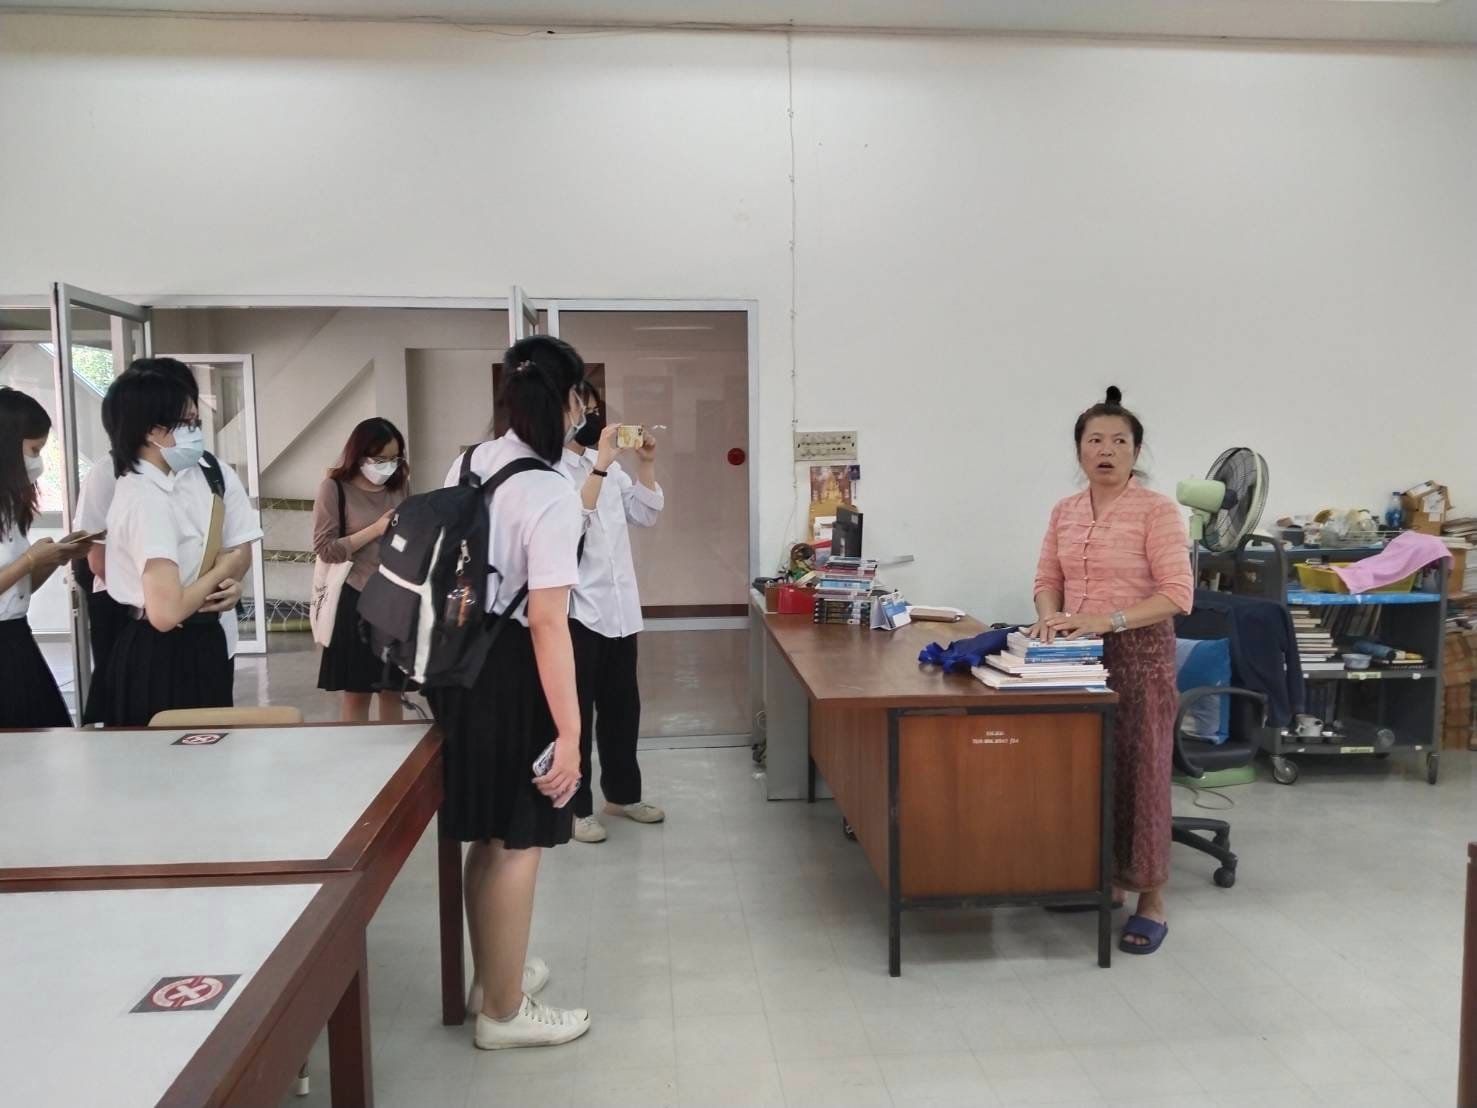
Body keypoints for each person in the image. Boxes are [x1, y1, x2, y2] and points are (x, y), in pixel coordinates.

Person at [429, 335, 592, 1050]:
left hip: (459, 667)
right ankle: (503, 1012)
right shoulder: (551, 493)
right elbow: (549, 623)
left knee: (488, 837)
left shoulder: (469, 461)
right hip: (513, 675)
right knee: (520, 841)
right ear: (568, 400)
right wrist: (571, 734)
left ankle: (491, 979)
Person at [1029, 386, 1192, 956]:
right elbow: (1047, 580)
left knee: (1142, 776)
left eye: (1119, 441)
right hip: (1077, 658)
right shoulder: (1065, 511)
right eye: (1095, 440)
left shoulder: (1158, 511)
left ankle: (1152, 900)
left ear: (1136, 451)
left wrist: (1107, 619)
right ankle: (1107, 882)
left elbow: (1178, 594)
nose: (1106, 450)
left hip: (1141, 656)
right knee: (1088, 773)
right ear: (1079, 450)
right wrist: (1049, 618)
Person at [77, 358, 258, 723]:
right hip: (164, 650)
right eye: (187, 423)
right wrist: (220, 570)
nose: (195, 432)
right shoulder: (146, 498)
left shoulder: (177, 482)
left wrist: (228, 580)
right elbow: (165, 614)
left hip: (197, 641)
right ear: (152, 431)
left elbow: (237, 549)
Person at [559, 381, 666, 844]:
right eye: (581, 408)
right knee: (576, 716)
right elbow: (570, 526)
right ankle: (575, 808)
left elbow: (646, 514)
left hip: (620, 608)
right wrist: (600, 464)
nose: (590, 416)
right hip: (577, 612)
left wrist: (646, 464)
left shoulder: (609, 467)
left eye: (593, 407)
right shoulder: (550, 471)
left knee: (623, 708)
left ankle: (622, 795)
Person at [0, 387, 91, 727]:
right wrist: (29, 560)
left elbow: (16, 591)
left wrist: (56, 557)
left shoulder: (10, 507)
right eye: (34, 450)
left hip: (15, 636)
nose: (37, 461)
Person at [313, 418, 411, 722]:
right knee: (357, 693)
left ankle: (395, 752)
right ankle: (354, 750)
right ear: (359, 455)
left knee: (393, 690)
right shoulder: (334, 488)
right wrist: (375, 530)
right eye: (380, 459)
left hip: (395, 599)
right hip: (355, 598)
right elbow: (325, 548)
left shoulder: (399, 485)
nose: (388, 466)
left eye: (394, 458)